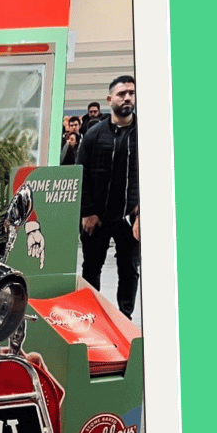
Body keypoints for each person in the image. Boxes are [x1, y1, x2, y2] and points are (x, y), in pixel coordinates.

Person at [77, 75, 140, 319]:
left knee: (129, 270)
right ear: (109, 99)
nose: (127, 97)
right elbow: (81, 174)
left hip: (129, 217)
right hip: (97, 217)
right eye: (122, 93)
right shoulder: (93, 135)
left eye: (131, 93)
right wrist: (87, 212)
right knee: (91, 268)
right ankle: (91, 317)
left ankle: (125, 319)